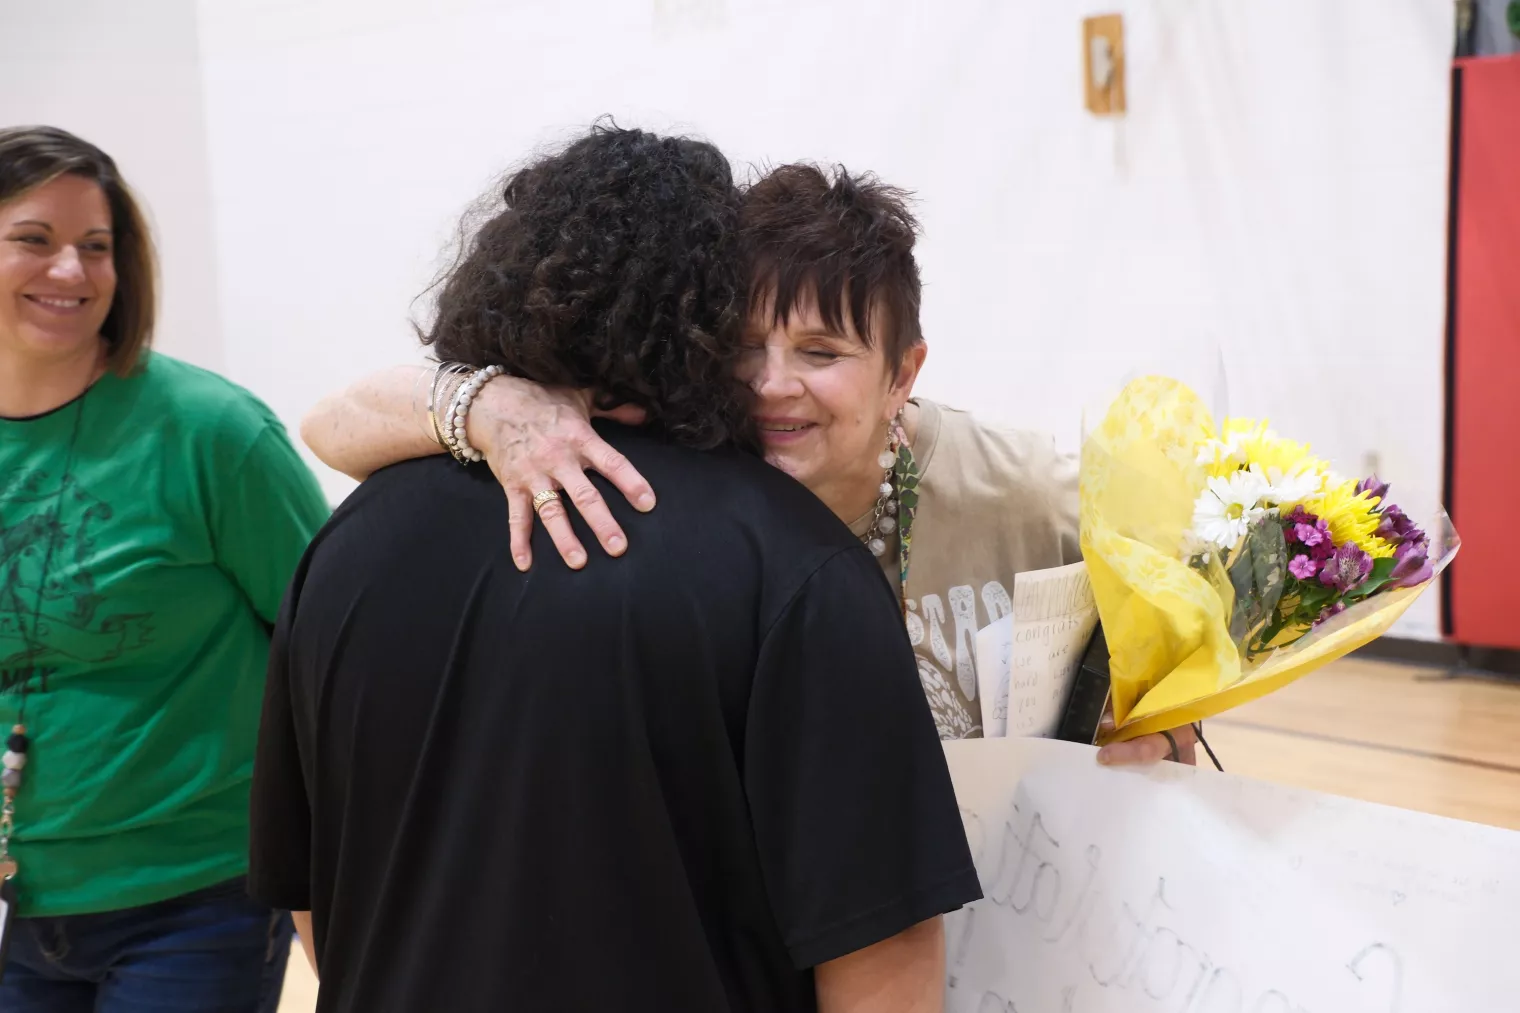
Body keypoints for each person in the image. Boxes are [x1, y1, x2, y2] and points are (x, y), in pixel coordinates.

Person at [249, 123, 980, 1013]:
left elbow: (317, 907)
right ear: (706, 317)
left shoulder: (343, 549)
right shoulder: (798, 569)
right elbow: (882, 963)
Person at [302, 163, 1199, 766]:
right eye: (742, 346)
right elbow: (331, 424)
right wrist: (496, 406)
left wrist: (1163, 721)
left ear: (904, 373)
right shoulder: (676, 466)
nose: (772, 385)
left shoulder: (1018, 488)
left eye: (821, 352)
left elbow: (1188, 607)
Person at [0, 125, 328, 1009]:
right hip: (15, 906)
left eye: (95, 246)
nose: (70, 270)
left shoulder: (213, 432)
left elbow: (335, 647)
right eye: (34, 238)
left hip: (194, 901)